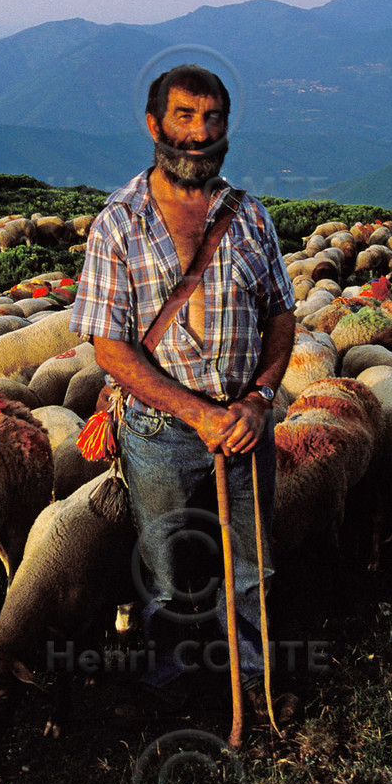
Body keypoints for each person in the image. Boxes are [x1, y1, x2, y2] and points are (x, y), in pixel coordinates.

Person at [69, 64, 296, 714]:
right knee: (168, 565)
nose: (200, 133)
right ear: (154, 125)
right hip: (160, 431)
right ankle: (175, 679)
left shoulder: (249, 217)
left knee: (252, 566)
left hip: (245, 424)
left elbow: (281, 313)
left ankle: (253, 681)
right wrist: (198, 413)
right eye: (185, 117)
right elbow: (110, 347)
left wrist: (259, 399)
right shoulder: (119, 224)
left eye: (213, 118)